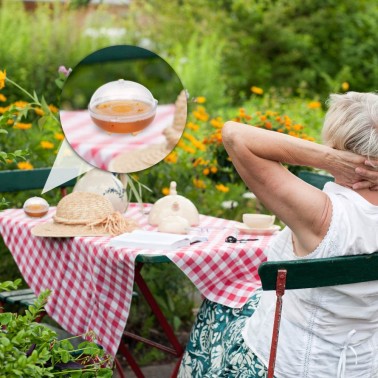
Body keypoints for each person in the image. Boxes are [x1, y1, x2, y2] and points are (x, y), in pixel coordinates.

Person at [178, 92, 378, 378]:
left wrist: (328, 159)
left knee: (217, 305)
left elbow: (234, 134)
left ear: (338, 148)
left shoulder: (323, 215)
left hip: (289, 365)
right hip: (364, 366)